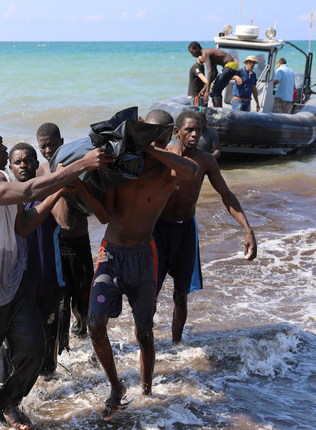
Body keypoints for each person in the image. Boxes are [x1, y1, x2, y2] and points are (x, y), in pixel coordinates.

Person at [0, 125, 113, 429]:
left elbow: (24, 225)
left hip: (13, 283)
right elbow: (27, 191)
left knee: (34, 348)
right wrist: (81, 165)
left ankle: (7, 400)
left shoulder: (1, 181)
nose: (4, 148)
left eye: (3, 143)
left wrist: (57, 192)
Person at [88, 110, 198, 421]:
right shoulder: (123, 165)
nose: (154, 142)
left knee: (144, 332)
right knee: (95, 325)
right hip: (111, 254)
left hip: (143, 256)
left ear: (165, 139)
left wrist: (152, 148)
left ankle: (147, 392)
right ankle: (116, 387)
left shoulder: (168, 173)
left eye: (160, 138)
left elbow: (190, 171)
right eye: (147, 135)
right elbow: (104, 214)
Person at [153, 110, 257, 344]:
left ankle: (176, 345)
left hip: (185, 232)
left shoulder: (205, 160)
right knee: (151, 293)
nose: (194, 134)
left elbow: (226, 195)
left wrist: (248, 229)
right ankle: (147, 343)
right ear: (176, 132)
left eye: (198, 130)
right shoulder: (163, 154)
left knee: (181, 295)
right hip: (158, 230)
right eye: (189, 129)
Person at [36, 123, 110, 353]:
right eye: (43, 147)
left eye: (52, 145)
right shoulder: (41, 171)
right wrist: (60, 180)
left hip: (77, 244)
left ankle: (85, 341)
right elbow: (59, 219)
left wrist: (66, 176)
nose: (48, 151)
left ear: (62, 142)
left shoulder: (75, 168)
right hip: (55, 247)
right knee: (61, 303)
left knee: (83, 301)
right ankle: (64, 351)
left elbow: (69, 221)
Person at [0, 143, 68, 383]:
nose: (23, 165)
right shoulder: (5, 197)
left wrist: (59, 185)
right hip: (16, 282)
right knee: (9, 340)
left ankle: (50, 391)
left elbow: (66, 222)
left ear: (38, 165)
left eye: (28, 160)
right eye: (17, 162)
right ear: (10, 168)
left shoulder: (48, 193)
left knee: (48, 340)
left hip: (48, 277)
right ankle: (6, 388)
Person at [188, 42, 238, 108]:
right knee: (215, 90)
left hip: (230, 66)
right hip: (232, 67)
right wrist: (205, 88)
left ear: (197, 48)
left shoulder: (205, 53)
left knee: (214, 90)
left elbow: (210, 71)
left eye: (192, 52)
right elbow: (214, 73)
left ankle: (218, 112)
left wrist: (207, 92)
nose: (192, 55)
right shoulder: (209, 55)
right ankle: (219, 111)